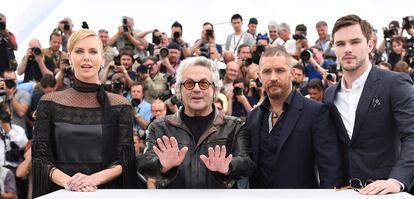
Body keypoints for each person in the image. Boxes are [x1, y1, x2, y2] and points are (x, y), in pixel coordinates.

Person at [32, 29, 139, 197]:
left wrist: (92, 180)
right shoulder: (49, 102)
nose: (86, 57)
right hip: (61, 193)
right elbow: (39, 157)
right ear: (69, 57)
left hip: (105, 193)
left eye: (93, 51)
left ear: (103, 59)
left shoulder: (120, 104)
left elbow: (125, 160)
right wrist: (69, 183)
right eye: (79, 51)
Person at [324, 14, 414, 195]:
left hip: (389, 193)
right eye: (340, 44)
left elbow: (412, 136)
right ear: (334, 48)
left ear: (370, 45)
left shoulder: (395, 83)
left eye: (355, 42)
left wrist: (397, 180)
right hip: (346, 192)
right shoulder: (330, 95)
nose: (347, 49)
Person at [137, 56, 254, 188]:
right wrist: (161, 165)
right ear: (179, 90)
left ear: (215, 89)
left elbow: (247, 164)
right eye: (189, 84)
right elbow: (144, 164)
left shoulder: (235, 126)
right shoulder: (158, 127)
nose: (196, 89)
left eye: (204, 83)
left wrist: (228, 166)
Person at [247, 46, 344, 188]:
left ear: (292, 74)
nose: (273, 77)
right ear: (260, 77)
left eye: (280, 70)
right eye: (267, 71)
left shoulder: (316, 112)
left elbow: (330, 170)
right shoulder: (253, 117)